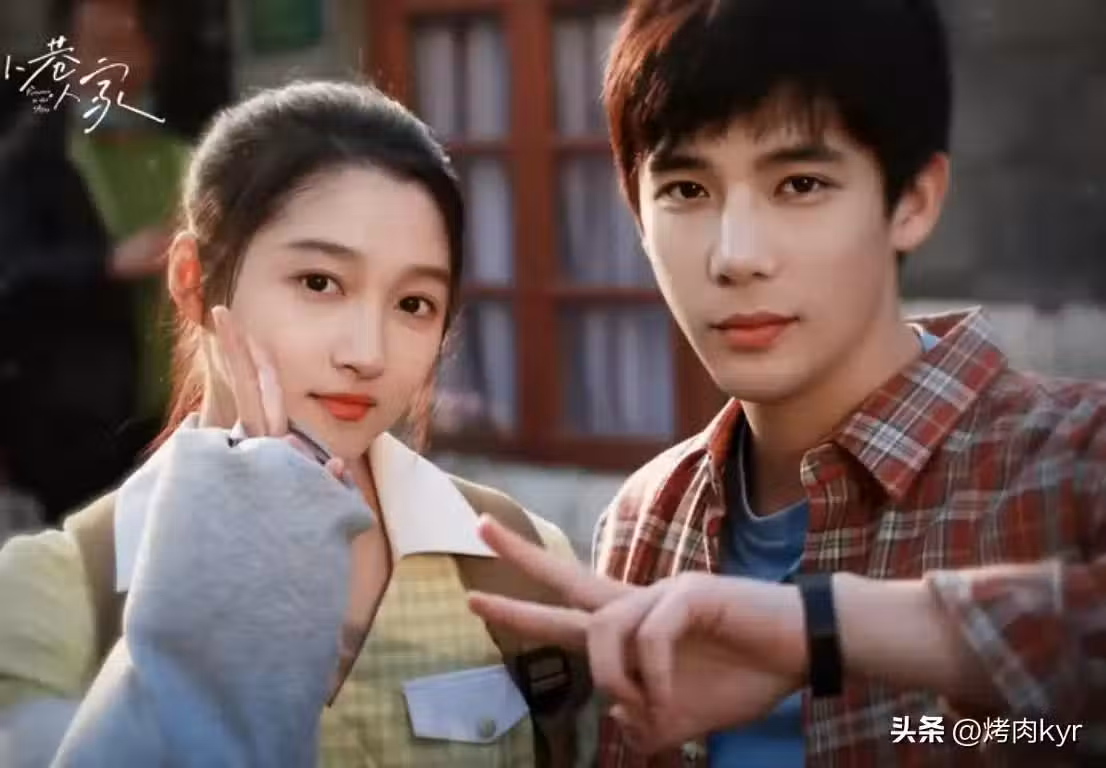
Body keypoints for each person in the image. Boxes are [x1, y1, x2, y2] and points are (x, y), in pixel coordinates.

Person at [465, 1, 1106, 766]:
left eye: (800, 183)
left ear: (912, 201)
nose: (736, 256)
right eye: (686, 190)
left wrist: (824, 628)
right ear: (637, 214)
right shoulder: (647, 517)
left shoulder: (1074, 460)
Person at [0, 80, 587, 767]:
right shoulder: (53, 593)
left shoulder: (515, 558)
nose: (367, 354)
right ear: (192, 279)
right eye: (319, 283)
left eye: (414, 303)